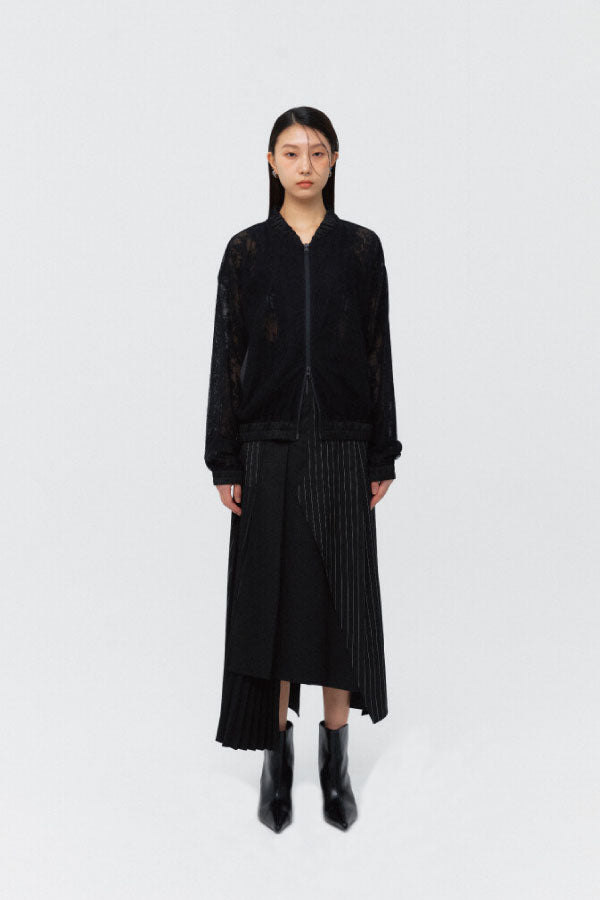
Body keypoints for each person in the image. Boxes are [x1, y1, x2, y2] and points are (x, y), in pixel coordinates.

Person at [204, 106, 403, 832]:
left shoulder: (361, 249)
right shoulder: (248, 251)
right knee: (276, 601)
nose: (305, 164)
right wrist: (224, 457)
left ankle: (337, 761)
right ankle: (277, 761)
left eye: (318, 152)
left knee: (341, 599)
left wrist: (381, 449)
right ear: (270, 163)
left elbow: (379, 351)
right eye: (291, 152)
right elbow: (227, 352)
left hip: (345, 443)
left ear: (335, 161)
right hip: (268, 445)